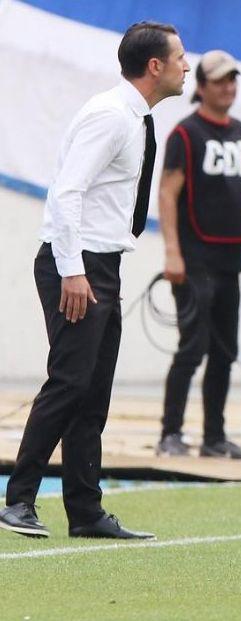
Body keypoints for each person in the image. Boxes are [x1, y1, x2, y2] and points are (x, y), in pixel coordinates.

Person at [0, 22, 188, 540]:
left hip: (102, 263)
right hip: (77, 264)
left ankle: (85, 512)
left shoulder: (136, 117)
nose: (186, 66)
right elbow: (66, 193)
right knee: (70, 382)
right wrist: (73, 271)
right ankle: (18, 501)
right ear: (155, 66)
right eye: (180, 57)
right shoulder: (110, 116)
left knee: (93, 392)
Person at [155, 50, 241, 460]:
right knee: (192, 347)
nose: (228, 87)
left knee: (225, 350)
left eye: (232, 80)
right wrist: (172, 252)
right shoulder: (185, 134)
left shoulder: (239, 130)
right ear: (201, 87)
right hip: (194, 257)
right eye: (220, 81)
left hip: (229, 259)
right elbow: (167, 192)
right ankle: (170, 434)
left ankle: (215, 438)